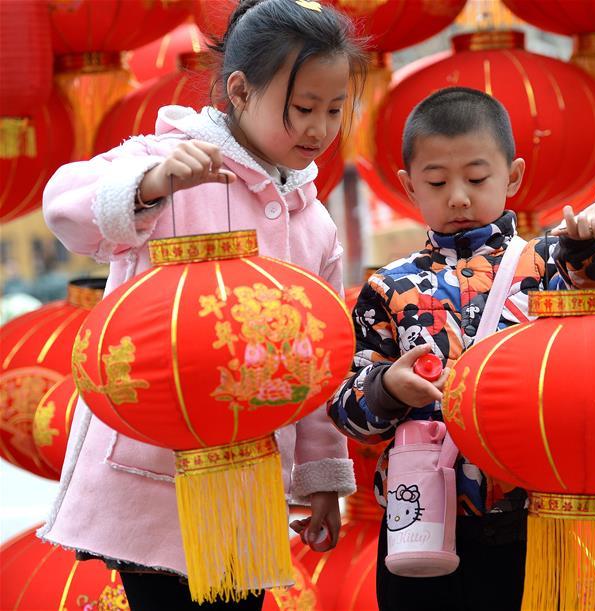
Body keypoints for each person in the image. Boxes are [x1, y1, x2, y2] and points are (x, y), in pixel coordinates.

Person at [39, 1, 366, 609]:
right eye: (302, 109)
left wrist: (323, 480)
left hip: (253, 472)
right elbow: (64, 206)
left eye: (333, 109)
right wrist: (151, 183)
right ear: (239, 91)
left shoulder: (314, 221)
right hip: (152, 464)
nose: (320, 129)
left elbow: (323, 358)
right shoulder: (169, 160)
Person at [327, 87, 595, 611]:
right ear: (411, 187)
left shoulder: (553, 264)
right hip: (422, 524)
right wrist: (386, 389)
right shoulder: (388, 287)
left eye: (476, 179)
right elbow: (345, 411)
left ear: (514, 176)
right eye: (437, 182)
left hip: (539, 515)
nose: (458, 196)